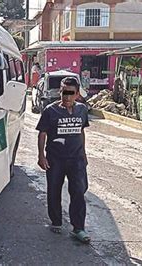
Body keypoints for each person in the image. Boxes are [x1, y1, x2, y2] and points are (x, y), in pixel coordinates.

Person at [35, 77, 91, 243]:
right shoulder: (50, 111)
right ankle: (56, 221)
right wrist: (41, 156)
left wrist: (84, 153)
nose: (67, 97)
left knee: (79, 192)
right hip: (55, 158)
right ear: (60, 92)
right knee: (54, 190)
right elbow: (42, 133)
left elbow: (81, 131)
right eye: (64, 92)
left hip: (76, 159)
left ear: (77, 94)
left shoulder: (82, 110)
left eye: (70, 93)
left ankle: (78, 228)